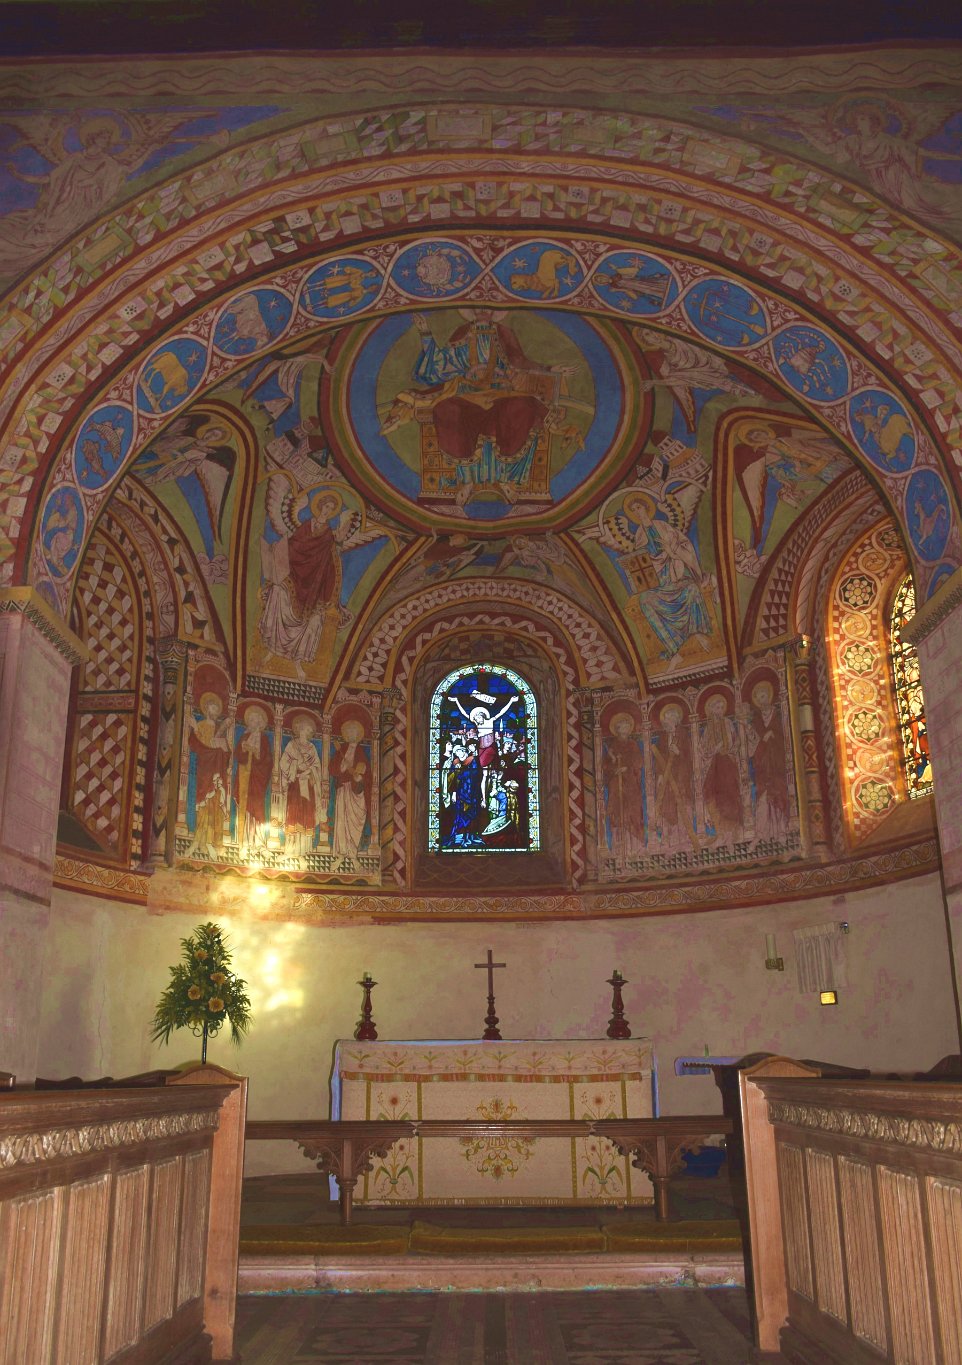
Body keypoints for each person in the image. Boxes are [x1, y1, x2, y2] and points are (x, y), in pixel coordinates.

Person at [258, 490, 348, 678]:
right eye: (326, 507)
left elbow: (331, 565)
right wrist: (277, 552)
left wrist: (328, 597)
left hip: (313, 585)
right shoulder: (306, 526)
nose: (327, 511)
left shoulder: (328, 536)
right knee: (277, 591)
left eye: (331, 509)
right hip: (296, 576)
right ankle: (271, 651)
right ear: (320, 506)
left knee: (315, 619)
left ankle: (297, 661)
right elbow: (294, 547)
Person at [625, 492, 713, 669]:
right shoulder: (640, 535)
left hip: (675, 574)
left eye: (639, 507)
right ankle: (674, 651)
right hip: (658, 584)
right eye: (633, 510)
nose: (637, 512)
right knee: (645, 601)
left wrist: (669, 552)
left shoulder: (663, 526)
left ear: (647, 508)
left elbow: (684, 545)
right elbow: (641, 564)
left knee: (691, 589)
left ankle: (698, 633)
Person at [744, 681, 788, 841]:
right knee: (762, 795)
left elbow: (784, 736)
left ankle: (781, 830)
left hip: (777, 761)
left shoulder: (778, 714)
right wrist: (755, 735)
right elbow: (753, 743)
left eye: (764, 696)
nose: (762, 700)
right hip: (762, 763)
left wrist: (772, 735)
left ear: (769, 697)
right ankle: (763, 833)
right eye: (759, 697)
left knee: (779, 792)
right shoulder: (755, 719)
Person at [188, 692, 231, 850]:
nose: (216, 711)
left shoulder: (220, 729)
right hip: (205, 771)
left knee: (216, 804)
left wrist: (223, 750)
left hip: (217, 773)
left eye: (217, 709)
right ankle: (200, 839)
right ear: (206, 709)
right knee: (203, 803)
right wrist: (194, 729)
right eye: (213, 707)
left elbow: (227, 755)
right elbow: (196, 745)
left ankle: (214, 841)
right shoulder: (200, 726)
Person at [280, 716, 325, 856]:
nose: (304, 731)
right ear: (298, 729)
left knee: (307, 814)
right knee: (293, 813)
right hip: (295, 784)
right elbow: (283, 763)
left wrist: (309, 770)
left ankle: (304, 850)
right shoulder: (291, 745)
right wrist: (295, 765)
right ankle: (290, 849)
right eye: (302, 728)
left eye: (307, 729)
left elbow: (317, 767)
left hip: (308, 786)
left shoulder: (312, 748)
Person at [701, 695, 743, 846]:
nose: (719, 711)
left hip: (727, 764)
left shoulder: (728, 723)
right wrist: (714, 749)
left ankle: (732, 834)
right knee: (711, 796)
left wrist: (730, 749)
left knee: (730, 797)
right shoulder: (708, 728)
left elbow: (737, 741)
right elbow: (703, 749)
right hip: (713, 766)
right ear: (711, 710)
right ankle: (720, 833)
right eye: (716, 708)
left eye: (720, 708)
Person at [602, 713, 645, 857]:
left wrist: (627, 767)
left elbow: (639, 761)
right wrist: (614, 765)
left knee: (633, 812)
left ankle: (635, 847)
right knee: (617, 813)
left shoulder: (633, 744)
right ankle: (619, 848)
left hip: (631, 784)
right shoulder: (613, 746)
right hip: (616, 784)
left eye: (627, 726)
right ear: (617, 729)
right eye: (622, 726)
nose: (625, 729)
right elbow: (605, 766)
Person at [331, 719, 371, 862]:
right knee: (342, 820)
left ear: (358, 734)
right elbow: (334, 769)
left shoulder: (360, 752)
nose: (351, 733)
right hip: (343, 789)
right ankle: (342, 853)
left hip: (356, 793)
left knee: (355, 821)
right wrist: (342, 766)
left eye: (354, 731)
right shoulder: (341, 750)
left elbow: (366, 773)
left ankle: (353, 853)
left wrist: (359, 777)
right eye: (349, 731)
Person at [233, 704, 272, 849]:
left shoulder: (264, 739)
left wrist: (255, 752)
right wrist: (244, 748)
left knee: (257, 807)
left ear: (261, 722)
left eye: (256, 719)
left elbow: (268, 760)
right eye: (251, 719)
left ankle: (259, 842)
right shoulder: (244, 736)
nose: (253, 722)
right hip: (244, 775)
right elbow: (237, 755)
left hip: (258, 777)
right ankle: (243, 840)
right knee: (244, 803)